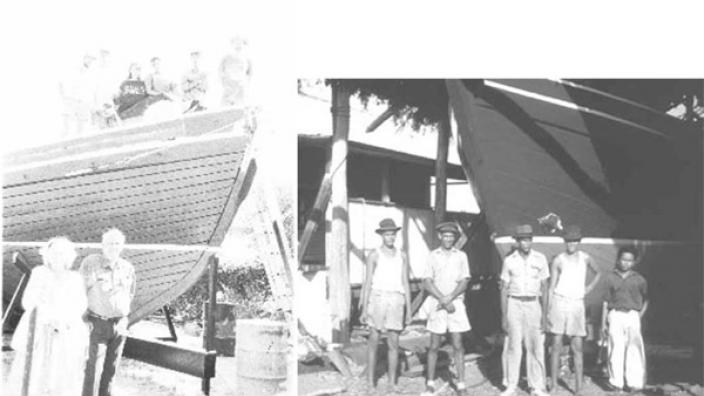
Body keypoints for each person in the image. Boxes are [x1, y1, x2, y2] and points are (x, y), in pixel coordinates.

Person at [7, 237, 89, 396]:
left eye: (61, 253)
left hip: (65, 332)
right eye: (54, 253)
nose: (57, 257)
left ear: (68, 256)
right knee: (35, 375)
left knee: (62, 377)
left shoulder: (75, 278)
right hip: (40, 332)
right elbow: (28, 301)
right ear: (48, 255)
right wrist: (48, 317)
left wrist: (63, 320)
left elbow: (80, 305)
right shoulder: (39, 273)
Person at [81, 228, 136, 396]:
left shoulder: (127, 268)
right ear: (102, 245)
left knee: (111, 370)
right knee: (91, 371)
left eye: (117, 243)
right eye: (109, 243)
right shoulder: (91, 263)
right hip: (95, 323)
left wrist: (124, 318)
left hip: (119, 325)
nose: (113, 247)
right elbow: (79, 292)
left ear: (122, 246)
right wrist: (83, 319)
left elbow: (130, 293)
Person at [359, 218, 412, 392]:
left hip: (396, 299)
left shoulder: (402, 255)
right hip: (378, 297)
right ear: (381, 235)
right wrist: (365, 307)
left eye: (393, 234)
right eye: (387, 234)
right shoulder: (374, 255)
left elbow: (405, 282)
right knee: (374, 339)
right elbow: (367, 283)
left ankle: (391, 383)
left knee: (394, 342)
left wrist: (409, 310)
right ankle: (370, 382)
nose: (390, 237)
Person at [547, 225, 601, 394]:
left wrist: (588, 288)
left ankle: (578, 387)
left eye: (574, 241)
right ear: (565, 242)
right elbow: (551, 286)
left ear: (579, 242)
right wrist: (548, 308)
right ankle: (554, 384)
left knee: (577, 346)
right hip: (559, 302)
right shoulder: (558, 260)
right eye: (568, 241)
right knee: (555, 344)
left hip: (577, 303)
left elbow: (598, 272)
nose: (571, 244)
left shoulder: (585, 258)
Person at [421, 222, 471, 396]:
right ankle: (430, 382)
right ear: (440, 236)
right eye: (445, 235)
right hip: (437, 302)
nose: (448, 239)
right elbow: (427, 281)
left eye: (451, 236)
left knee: (458, 343)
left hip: (455, 303)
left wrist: (450, 298)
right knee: (434, 345)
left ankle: (461, 383)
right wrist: (442, 298)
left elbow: (465, 281)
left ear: (454, 238)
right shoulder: (432, 255)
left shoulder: (461, 256)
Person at [500, 224, 550, 396]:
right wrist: (504, 316)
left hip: (533, 304)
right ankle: (511, 385)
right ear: (517, 241)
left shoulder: (540, 259)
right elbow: (504, 289)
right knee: (514, 346)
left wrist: (544, 315)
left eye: (528, 239)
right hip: (514, 303)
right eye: (522, 240)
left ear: (531, 240)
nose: (525, 243)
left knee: (535, 346)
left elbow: (545, 287)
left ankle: (536, 386)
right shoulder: (509, 261)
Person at [602, 247, 648, 392]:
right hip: (615, 314)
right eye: (623, 259)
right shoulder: (610, 277)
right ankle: (616, 382)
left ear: (634, 262)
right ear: (618, 259)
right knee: (616, 347)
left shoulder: (639, 279)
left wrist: (639, 315)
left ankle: (634, 383)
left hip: (633, 315)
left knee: (634, 348)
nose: (625, 263)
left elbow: (646, 300)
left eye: (629, 261)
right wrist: (604, 321)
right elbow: (605, 301)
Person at [60, 52, 98, 137]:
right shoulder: (74, 69)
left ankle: (76, 144)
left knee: (81, 126)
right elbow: (62, 83)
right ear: (84, 58)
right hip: (72, 100)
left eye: (92, 60)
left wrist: (92, 103)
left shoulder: (91, 73)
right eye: (88, 58)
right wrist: (64, 97)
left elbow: (92, 89)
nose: (90, 61)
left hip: (84, 102)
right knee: (67, 125)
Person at [219, 35, 252, 107]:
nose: (238, 45)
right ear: (232, 44)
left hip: (241, 87)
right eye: (236, 43)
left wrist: (245, 83)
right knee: (225, 108)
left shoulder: (247, 59)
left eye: (240, 43)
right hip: (229, 87)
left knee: (241, 107)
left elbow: (250, 74)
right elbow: (220, 71)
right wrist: (224, 83)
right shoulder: (226, 58)